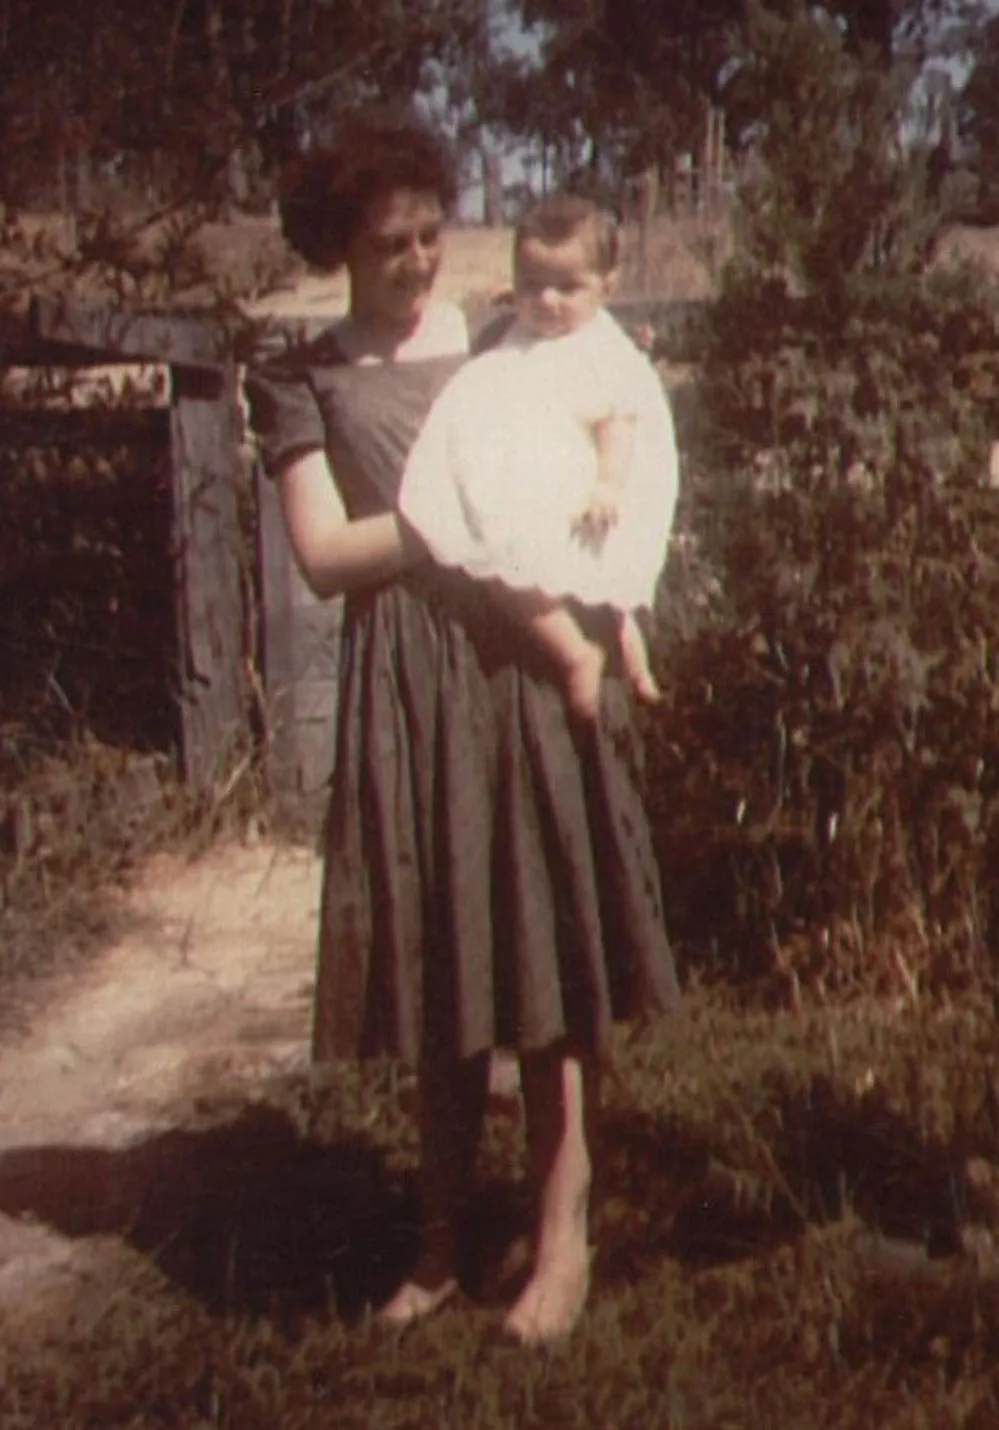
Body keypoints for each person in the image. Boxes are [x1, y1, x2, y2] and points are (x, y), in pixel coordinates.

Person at [246, 111, 680, 1345]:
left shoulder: (506, 338)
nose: (422, 263)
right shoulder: (306, 377)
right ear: (341, 245)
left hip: (521, 662)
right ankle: (438, 1242)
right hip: (409, 678)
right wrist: (462, 513)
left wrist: (535, 506)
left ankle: (563, 1232)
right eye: (393, 244)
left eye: (436, 236)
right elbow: (328, 555)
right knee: (443, 961)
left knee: (543, 949)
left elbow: (613, 419)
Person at [398, 193, 680, 723]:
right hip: (528, 490)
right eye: (531, 285)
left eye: (567, 288)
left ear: (607, 287)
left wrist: (609, 485)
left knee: (532, 573)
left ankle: (584, 654)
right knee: (504, 564)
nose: (547, 301)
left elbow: (618, 419)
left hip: (579, 500)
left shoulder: (598, 349)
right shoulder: (518, 337)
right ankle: (598, 652)